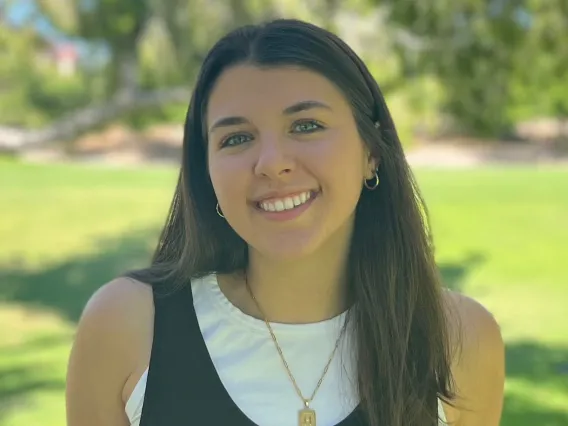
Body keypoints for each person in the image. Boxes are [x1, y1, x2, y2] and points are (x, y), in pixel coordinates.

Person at [65, 19, 504, 426]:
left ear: (372, 151)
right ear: (208, 172)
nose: (272, 164)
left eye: (306, 125)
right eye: (237, 138)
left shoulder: (461, 339)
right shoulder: (127, 326)